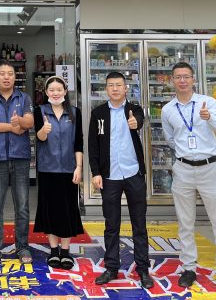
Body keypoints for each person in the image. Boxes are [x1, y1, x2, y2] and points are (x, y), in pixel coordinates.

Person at [161, 62, 216, 296]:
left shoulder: (208, 103)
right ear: (172, 81)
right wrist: (186, 153)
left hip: (209, 168)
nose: (182, 81)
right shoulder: (168, 110)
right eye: (178, 77)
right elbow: (170, 139)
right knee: (185, 223)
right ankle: (189, 268)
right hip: (183, 169)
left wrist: (208, 118)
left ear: (193, 79)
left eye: (186, 76)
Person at [88, 72, 153, 289]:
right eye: (111, 85)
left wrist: (136, 123)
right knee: (111, 225)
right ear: (106, 89)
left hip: (133, 174)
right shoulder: (98, 113)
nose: (115, 89)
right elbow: (93, 145)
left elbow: (139, 121)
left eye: (118, 85)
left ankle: (143, 269)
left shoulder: (134, 109)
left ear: (126, 88)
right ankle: (111, 267)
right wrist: (95, 172)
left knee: (139, 224)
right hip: (110, 176)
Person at [0, 60, 34, 264]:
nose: (6, 77)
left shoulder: (24, 97)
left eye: (10, 73)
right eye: (2, 73)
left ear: (15, 76)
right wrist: (11, 126)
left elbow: (30, 122)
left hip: (20, 157)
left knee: (22, 206)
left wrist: (21, 122)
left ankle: (23, 247)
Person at [33, 76, 84, 270]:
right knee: (50, 209)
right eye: (51, 90)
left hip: (69, 169)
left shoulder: (74, 113)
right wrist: (44, 130)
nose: (55, 93)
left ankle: (65, 251)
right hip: (47, 169)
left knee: (67, 210)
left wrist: (78, 167)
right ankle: (54, 250)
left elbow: (78, 142)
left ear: (65, 91)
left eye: (59, 90)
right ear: (46, 92)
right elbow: (39, 138)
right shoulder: (39, 111)